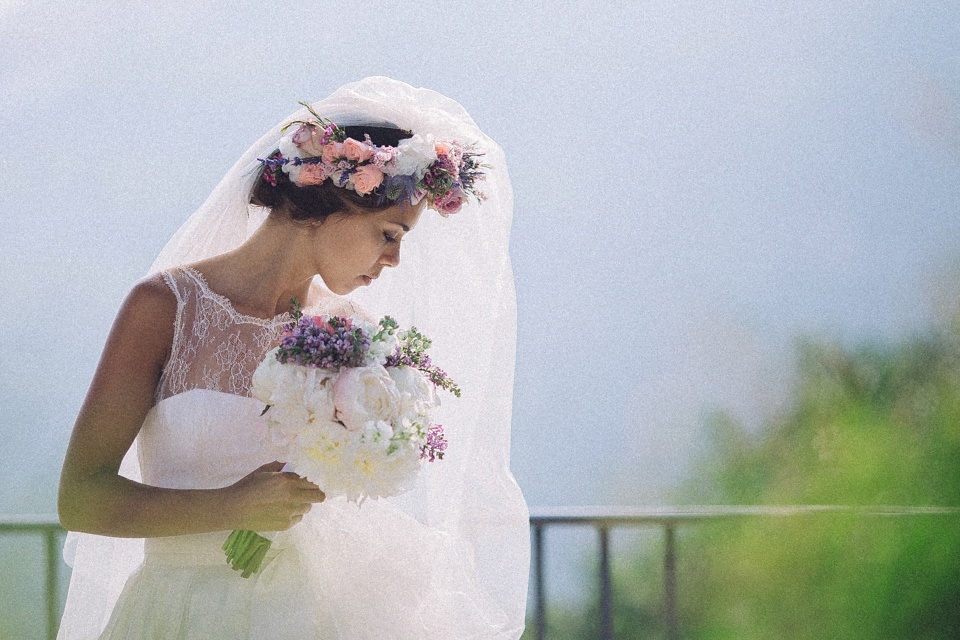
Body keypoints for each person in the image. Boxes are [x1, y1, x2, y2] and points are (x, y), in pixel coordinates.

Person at [56, 77, 529, 639]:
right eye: (388, 233)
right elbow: (81, 498)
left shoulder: (351, 335)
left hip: (312, 612)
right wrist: (232, 508)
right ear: (329, 205)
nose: (395, 260)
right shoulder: (164, 308)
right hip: (183, 614)